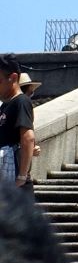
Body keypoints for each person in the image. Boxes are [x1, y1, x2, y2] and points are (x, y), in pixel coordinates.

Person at [0, 60, 37, 193]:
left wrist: (21, 176)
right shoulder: (5, 105)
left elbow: (28, 138)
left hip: (15, 177)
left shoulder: (21, 101)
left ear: (13, 78)